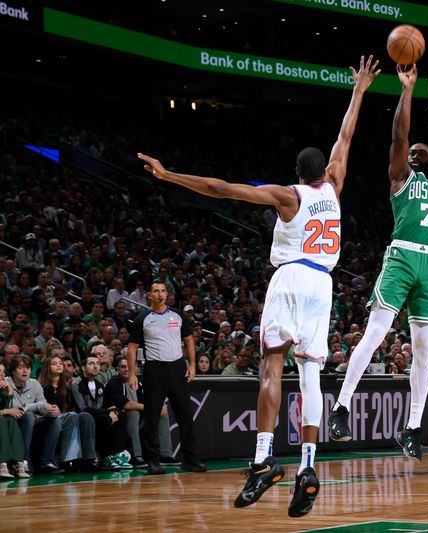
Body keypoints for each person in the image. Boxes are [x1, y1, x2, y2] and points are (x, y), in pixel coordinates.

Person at [138, 56, 379, 516]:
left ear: (297, 173)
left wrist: (169, 176)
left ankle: (264, 459)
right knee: (310, 375)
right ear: (324, 172)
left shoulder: (288, 196)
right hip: (324, 285)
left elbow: (223, 188)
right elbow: (346, 137)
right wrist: (359, 91)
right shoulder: (334, 188)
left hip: (290, 277)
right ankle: (308, 467)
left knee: (272, 366)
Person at [329, 61, 428, 464]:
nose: (416, 151)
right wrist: (408, 89)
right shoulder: (401, 178)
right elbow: (399, 134)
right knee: (376, 333)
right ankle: (342, 407)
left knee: (423, 352)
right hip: (402, 256)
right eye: (413, 151)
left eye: (423, 150)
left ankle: (412, 428)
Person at [125, 282, 205, 475]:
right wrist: (132, 373)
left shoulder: (177, 315)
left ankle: (190, 459)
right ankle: (153, 460)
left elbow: (188, 340)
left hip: (178, 368)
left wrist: (192, 364)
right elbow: (133, 348)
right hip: (154, 370)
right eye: (155, 291)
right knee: (152, 417)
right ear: (149, 295)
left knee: (185, 415)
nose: (159, 294)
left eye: (162, 291)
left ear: (167, 294)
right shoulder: (142, 318)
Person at [0, 362, 29, 478]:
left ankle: (18, 463)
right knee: (2, 420)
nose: (2, 375)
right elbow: (6, 411)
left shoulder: (3, 387)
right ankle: (2, 463)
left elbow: (7, 409)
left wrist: (9, 392)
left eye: (2, 371)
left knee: (11, 420)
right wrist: (6, 411)